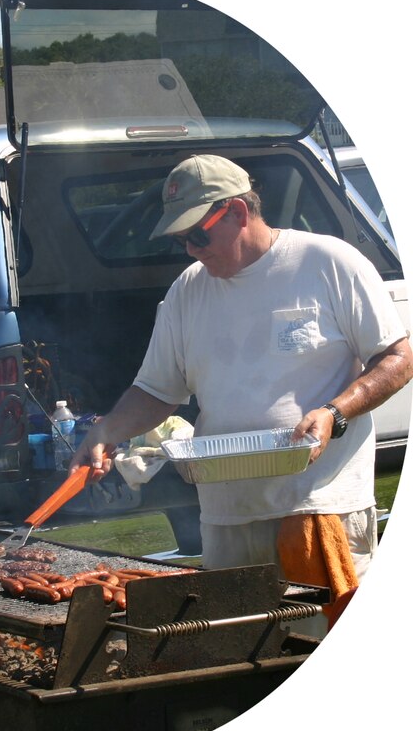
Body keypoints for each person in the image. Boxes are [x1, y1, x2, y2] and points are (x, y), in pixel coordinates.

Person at [69, 154, 413, 583]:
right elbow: (157, 390)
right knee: (236, 646)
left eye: (197, 234)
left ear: (236, 211)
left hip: (318, 506)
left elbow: (398, 359)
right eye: (181, 241)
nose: (191, 250)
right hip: (226, 519)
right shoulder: (186, 292)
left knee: (323, 639)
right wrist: (107, 431)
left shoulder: (327, 263)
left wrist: (335, 413)